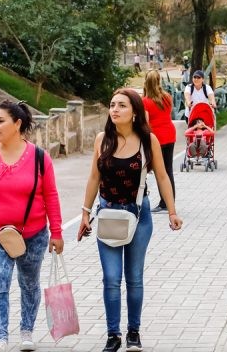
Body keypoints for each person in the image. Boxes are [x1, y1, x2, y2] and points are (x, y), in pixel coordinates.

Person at [77, 88, 183, 352]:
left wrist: (172, 211)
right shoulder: (102, 140)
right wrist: (84, 213)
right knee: (111, 278)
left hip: (139, 216)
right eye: (112, 105)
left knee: (134, 277)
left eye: (121, 105)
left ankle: (133, 333)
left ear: (134, 112)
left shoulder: (148, 140)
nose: (114, 109)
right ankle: (113, 335)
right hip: (108, 215)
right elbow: (94, 178)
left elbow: (161, 176)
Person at [0, 101, 64, 352]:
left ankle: (27, 331)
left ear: (17, 124)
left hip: (33, 234)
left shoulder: (40, 158)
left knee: (29, 283)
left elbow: (51, 195)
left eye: (1, 121)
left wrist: (57, 232)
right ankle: (0, 336)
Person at [142, 70, 176, 214]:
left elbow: (146, 122)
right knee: (168, 169)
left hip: (157, 138)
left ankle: (163, 202)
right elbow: (169, 113)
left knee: (159, 171)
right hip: (170, 133)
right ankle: (170, 201)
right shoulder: (167, 97)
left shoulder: (145, 101)